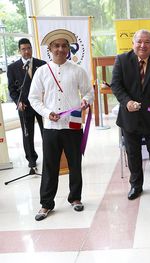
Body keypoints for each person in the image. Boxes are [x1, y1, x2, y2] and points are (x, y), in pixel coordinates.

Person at [29, 29, 94, 221]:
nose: (60, 49)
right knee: (50, 166)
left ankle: (75, 198)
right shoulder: (41, 71)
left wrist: (85, 101)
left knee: (75, 163)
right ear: (49, 49)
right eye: (56, 46)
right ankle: (46, 204)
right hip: (50, 127)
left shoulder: (77, 70)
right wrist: (47, 112)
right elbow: (33, 98)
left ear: (69, 49)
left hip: (73, 125)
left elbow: (88, 92)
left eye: (64, 46)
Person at [111, 29, 150, 200]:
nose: (142, 45)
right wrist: (126, 102)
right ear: (133, 43)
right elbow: (116, 85)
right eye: (139, 41)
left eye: (147, 42)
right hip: (129, 117)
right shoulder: (122, 60)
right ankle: (135, 185)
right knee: (133, 154)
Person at [7, 38, 46, 168]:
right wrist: (17, 102)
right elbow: (12, 89)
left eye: (29, 48)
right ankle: (31, 159)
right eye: (23, 49)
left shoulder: (42, 64)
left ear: (32, 49)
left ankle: (49, 155)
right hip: (24, 106)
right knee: (27, 133)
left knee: (46, 131)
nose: (27, 51)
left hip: (42, 105)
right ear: (19, 51)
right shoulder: (12, 68)